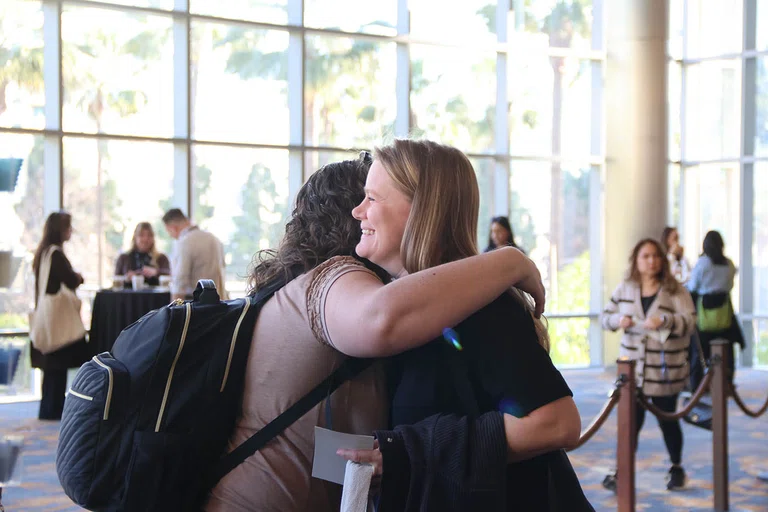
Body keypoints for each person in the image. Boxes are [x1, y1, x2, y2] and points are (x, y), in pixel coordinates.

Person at [206, 153, 547, 512]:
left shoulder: (300, 285)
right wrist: (509, 261)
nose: (362, 211)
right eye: (363, 196)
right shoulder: (334, 280)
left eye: (375, 197)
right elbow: (382, 320)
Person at [338, 140, 588, 511]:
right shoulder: (394, 305)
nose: (358, 211)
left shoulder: (485, 309)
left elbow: (557, 422)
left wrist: (410, 454)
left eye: (373, 199)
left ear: (421, 211)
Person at [601, 238, 696, 491]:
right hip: (631, 371)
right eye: (645, 256)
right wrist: (618, 320)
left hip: (663, 371)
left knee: (668, 420)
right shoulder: (626, 288)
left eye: (655, 256)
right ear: (637, 260)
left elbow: (690, 321)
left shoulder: (675, 289)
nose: (651, 261)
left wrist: (665, 320)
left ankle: (676, 468)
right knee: (630, 424)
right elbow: (605, 317)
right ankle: (621, 472)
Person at [30, 212, 92, 420]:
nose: (70, 231)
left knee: (51, 371)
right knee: (57, 369)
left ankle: (50, 410)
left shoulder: (43, 253)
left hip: (47, 317)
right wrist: (79, 277)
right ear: (60, 229)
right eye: (68, 227)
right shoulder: (55, 254)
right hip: (57, 319)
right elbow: (70, 280)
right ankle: (53, 411)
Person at [687, 230, 744, 387]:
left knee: (700, 352)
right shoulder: (729, 264)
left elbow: (693, 286)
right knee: (725, 351)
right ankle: (725, 382)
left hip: (704, 314)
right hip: (724, 312)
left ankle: (699, 385)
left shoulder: (703, 263)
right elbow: (730, 286)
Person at [162, 208, 227, 300]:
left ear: (173, 228)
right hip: (219, 301)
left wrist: (173, 310)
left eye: (169, 232)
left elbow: (180, 281)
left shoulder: (184, 242)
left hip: (196, 304)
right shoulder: (214, 239)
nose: (171, 236)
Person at [114, 222, 170, 287]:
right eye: (141, 235)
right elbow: (116, 281)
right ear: (135, 237)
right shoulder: (123, 258)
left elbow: (171, 277)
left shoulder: (161, 258)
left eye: (149, 235)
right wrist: (126, 278)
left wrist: (156, 272)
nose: (145, 239)